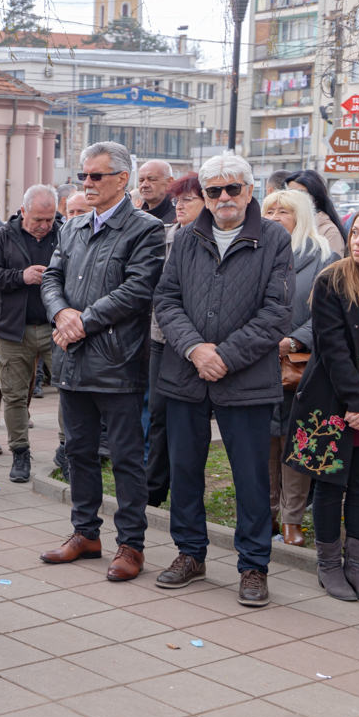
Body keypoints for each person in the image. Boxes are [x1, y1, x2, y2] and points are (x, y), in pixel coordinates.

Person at [154, 153, 293, 608]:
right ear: (206, 196)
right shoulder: (187, 236)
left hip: (246, 378)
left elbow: (277, 312)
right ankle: (190, 554)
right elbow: (167, 300)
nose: (224, 198)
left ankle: (254, 565)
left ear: (250, 191)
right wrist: (195, 349)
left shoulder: (273, 238)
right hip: (186, 373)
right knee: (185, 469)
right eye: (214, 191)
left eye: (233, 188)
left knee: (251, 477)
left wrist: (225, 357)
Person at [39, 141, 164, 583]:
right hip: (73, 359)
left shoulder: (145, 229)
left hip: (118, 363)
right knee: (78, 452)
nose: (87, 183)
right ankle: (85, 534)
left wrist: (83, 321)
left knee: (127, 459)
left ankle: (131, 544)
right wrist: (60, 313)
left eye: (96, 176)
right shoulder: (72, 227)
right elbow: (51, 276)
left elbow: (137, 290)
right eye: (82, 176)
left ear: (122, 180)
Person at [285, 206, 359, 605]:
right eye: (356, 233)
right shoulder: (332, 280)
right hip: (333, 401)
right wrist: (357, 403)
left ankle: (358, 565)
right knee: (330, 483)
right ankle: (330, 565)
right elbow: (333, 349)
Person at [261, 189, 338, 545]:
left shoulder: (325, 256)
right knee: (264, 443)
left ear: (302, 215)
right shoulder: (255, 251)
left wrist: (292, 341)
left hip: (302, 366)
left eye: (284, 211)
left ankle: (292, 519)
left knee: (299, 440)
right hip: (258, 362)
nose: (275, 216)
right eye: (270, 210)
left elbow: (328, 314)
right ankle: (267, 516)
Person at [0, 185, 60, 482]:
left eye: (49, 219)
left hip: (56, 327)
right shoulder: (2, 236)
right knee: (13, 395)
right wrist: (21, 276)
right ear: (23, 211)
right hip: (14, 329)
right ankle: (20, 452)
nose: (43, 225)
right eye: (38, 219)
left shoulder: (63, 233)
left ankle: (67, 451)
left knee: (70, 391)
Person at [144, 173, 201, 507]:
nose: (179, 206)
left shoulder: (205, 240)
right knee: (158, 414)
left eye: (187, 200)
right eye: (177, 200)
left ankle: (184, 493)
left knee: (187, 421)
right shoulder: (162, 235)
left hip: (194, 343)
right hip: (159, 337)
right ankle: (153, 490)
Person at [285, 170, 346, 256]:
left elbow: (333, 267)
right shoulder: (285, 226)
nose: (294, 199)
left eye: (301, 194)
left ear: (316, 199)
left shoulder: (329, 232)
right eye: (289, 194)